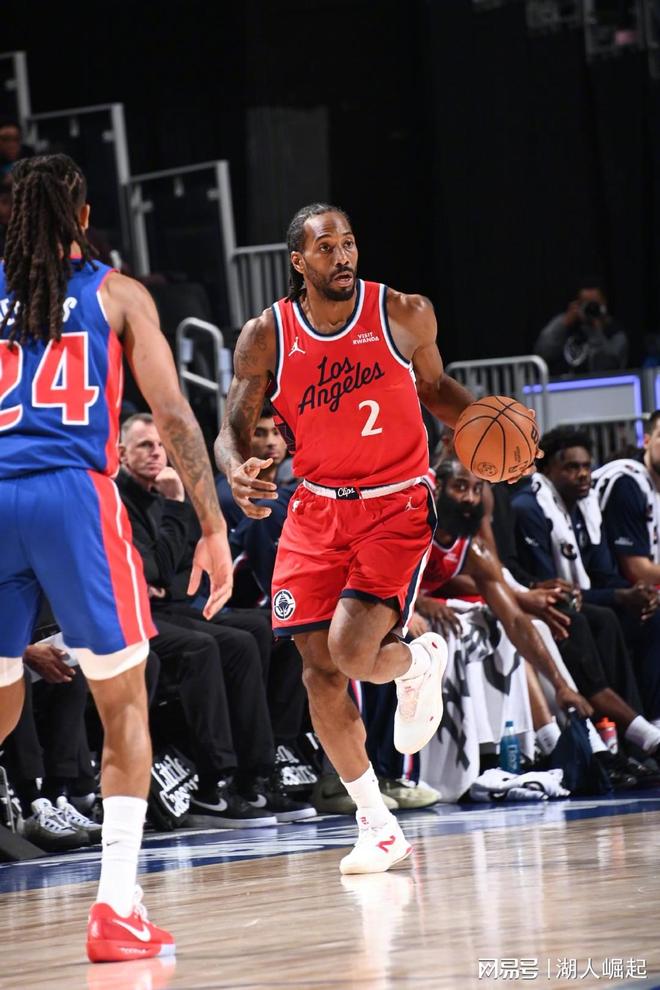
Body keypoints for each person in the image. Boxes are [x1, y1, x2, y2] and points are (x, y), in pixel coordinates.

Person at [215, 202, 537, 874]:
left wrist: (495, 430)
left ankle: (418, 660)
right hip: (316, 509)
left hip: (395, 504)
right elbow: (232, 429)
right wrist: (236, 468)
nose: (342, 256)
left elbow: (436, 388)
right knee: (318, 674)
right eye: (325, 246)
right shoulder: (266, 335)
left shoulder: (403, 313)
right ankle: (377, 824)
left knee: (352, 651)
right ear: (298, 261)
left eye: (349, 243)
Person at [0, 155, 233, 962]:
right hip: (72, 497)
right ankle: (114, 909)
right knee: (123, 702)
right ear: (85, 216)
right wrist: (211, 525)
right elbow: (173, 415)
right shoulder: (117, 293)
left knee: (0, 700)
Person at [511, 427, 660, 747]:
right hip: (544, 605)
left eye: (586, 466)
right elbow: (556, 590)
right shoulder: (529, 507)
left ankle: (648, 720)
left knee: (648, 616)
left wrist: (638, 595)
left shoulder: (587, 507)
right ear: (548, 469)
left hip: (584, 601)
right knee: (597, 620)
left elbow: (603, 575)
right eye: (571, 467)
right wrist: (619, 595)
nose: (582, 475)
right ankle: (625, 736)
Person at [533, 281, 628, 374]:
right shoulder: (566, 323)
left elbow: (609, 368)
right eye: (586, 304)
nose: (590, 308)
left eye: (594, 304)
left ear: (604, 303)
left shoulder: (614, 332)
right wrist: (563, 324)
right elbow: (542, 354)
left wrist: (595, 330)